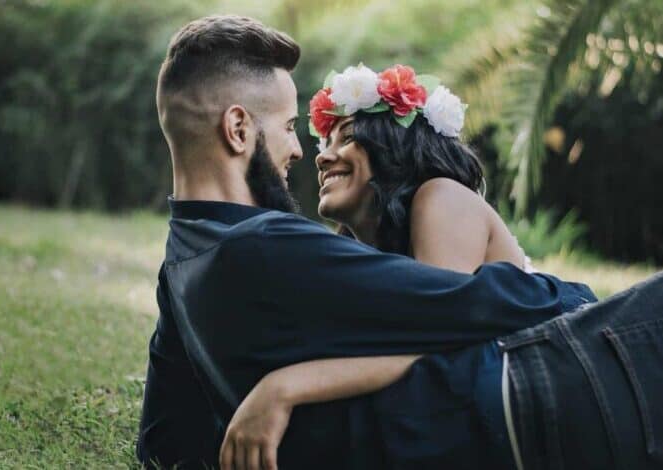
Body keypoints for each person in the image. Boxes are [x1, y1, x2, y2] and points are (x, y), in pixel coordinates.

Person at [136, 15, 663, 470]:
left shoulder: (182, 267)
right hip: (537, 401)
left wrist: (285, 386)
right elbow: (509, 304)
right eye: (292, 127)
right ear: (237, 128)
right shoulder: (266, 245)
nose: (301, 151)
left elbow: (164, 443)